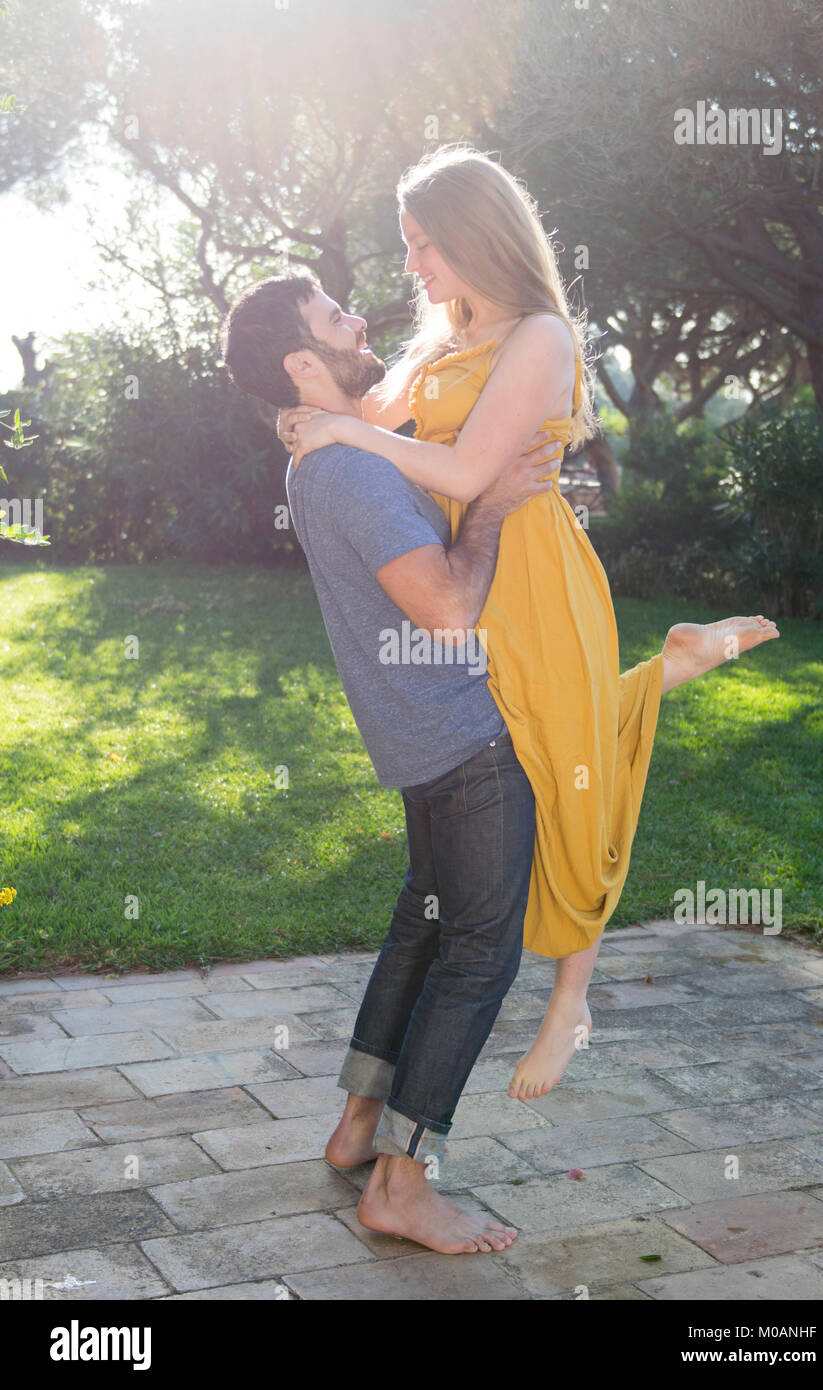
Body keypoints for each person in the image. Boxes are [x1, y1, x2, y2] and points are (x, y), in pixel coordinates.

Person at [280, 144, 780, 1103]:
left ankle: (570, 1006)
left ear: (475, 234)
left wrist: (342, 430)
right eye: (410, 246)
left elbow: (463, 473)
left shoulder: (542, 337)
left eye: (426, 245)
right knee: (552, 744)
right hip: (476, 571)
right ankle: (672, 668)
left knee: (570, 773)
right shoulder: (444, 336)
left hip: (536, 572)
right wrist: (306, 415)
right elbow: (362, 410)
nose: (415, 266)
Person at [220, 271, 562, 1255]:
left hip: (419, 740)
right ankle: (402, 1187)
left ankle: (360, 1128)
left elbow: (399, 393)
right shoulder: (349, 473)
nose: (355, 317)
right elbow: (448, 607)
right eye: (333, 316)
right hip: (462, 736)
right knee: (477, 956)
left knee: (424, 929)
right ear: (299, 361)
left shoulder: (326, 454)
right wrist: (494, 502)